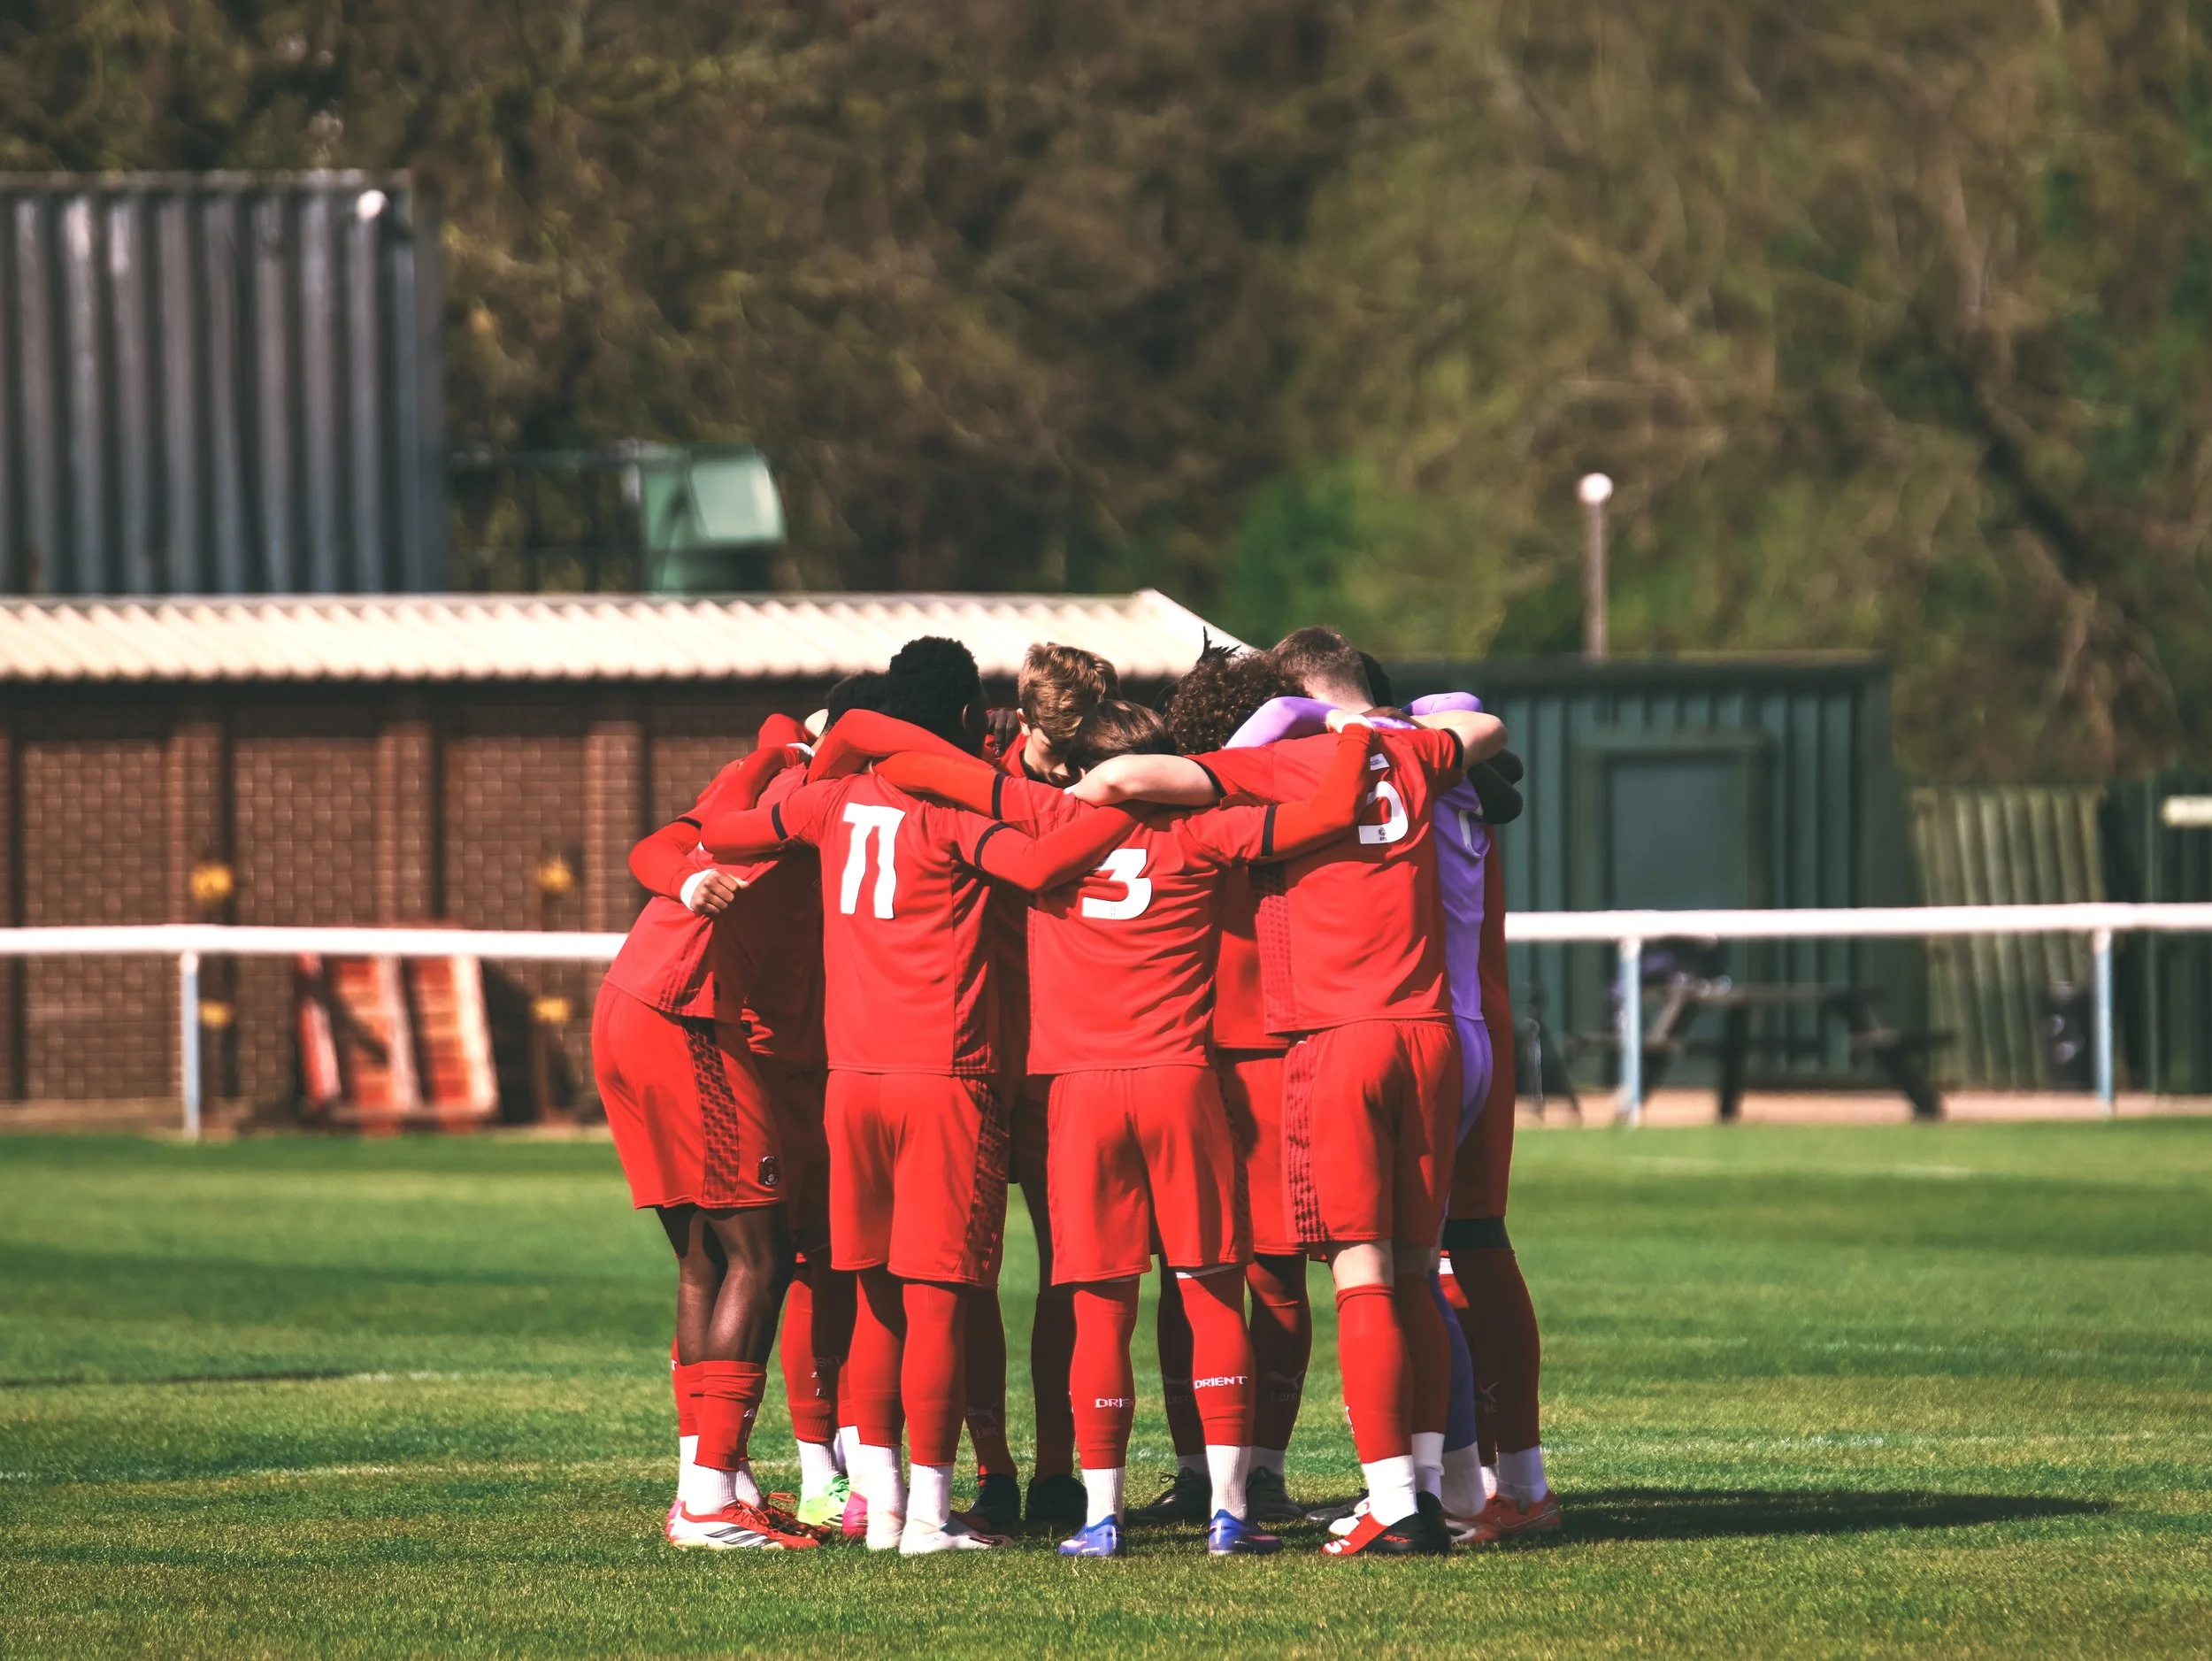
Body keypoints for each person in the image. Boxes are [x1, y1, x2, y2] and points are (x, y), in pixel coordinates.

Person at [862, 697, 1382, 1556]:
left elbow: (909, 764)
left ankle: (1100, 1516)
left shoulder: (1045, 813)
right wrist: (1352, 725)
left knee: (1099, 1305)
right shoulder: (1208, 830)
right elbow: (1329, 811)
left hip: (1076, 1094)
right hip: (1178, 1082)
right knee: (1211, 1289)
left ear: (1083, 766)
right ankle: (1229, 1513)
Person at [699, 638, 1139, 1555]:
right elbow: (1046, 861)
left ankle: (883, 1505)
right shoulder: (950, 811)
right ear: (971, 723)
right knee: (939, 1298)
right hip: (949, 1078)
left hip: (850, 1083)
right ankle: (931, 1519)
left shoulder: (829, 802)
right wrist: (1133, 801)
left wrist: (789, 757)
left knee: (870, 1300)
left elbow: (728, 828)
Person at [1072, 628, 1506, 1556]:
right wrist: (1365, 721)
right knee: (1418, 1274)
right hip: (1430, 1030)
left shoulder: (1286, 768)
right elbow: (1483, 724)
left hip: (1337, 1038)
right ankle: (1432, 1490)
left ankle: (1394, 1498)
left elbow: (1129, 781)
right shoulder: (1417, 752)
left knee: (1359, 1277)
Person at [597, 718, 822, 1551]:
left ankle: (713, 1479)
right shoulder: (811, 792)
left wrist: (776, 747)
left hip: (634, 999)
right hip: (684, 1009)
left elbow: (663, 842)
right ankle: (705, 1500)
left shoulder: (757, 774)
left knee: (708, 1255)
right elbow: (665, 847)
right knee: (764, 1255)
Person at [1133, 644, 1316, 1529]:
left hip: (1189, 1048)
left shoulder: (1167, 792)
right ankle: (1258, 1469)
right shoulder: (1284, 786)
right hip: (1270, 1046)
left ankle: (1200, 1467)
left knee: (1193, 1272)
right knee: (1270, 1271)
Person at [962, 642, 1120, 1534]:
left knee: (1074, 1272)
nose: (1070, 767)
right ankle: (992, 1470)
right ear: (1019, 722)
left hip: (1073, 1067)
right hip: (982, 1063)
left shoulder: (1125, 778)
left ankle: (1060, 1471)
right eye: (1057, 748)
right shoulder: (971, 781)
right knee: (970, 1275)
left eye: (1082, 748)